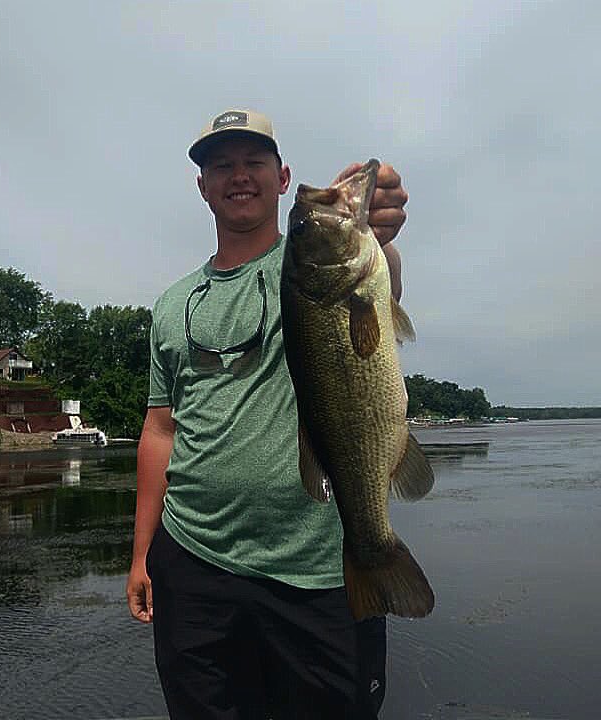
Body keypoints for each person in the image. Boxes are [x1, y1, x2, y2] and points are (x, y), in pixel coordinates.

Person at [126, 109, 409, 720]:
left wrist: (378, 223)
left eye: (254, 162)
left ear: (282, 179)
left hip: (316, 568)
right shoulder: (171, 306)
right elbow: (160, 430)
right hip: (192, 562)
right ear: (202, 187)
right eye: (220, 166)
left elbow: (375, 288)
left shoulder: (311, 270)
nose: (238, 176)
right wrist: (141, 553)